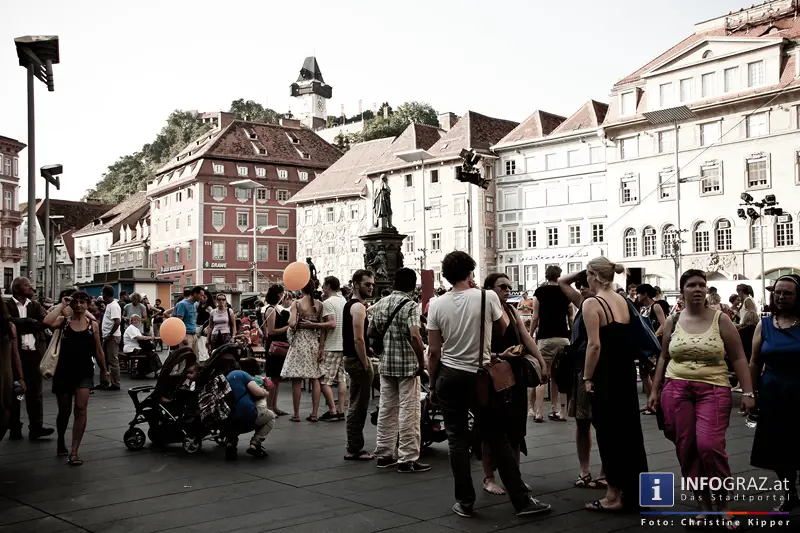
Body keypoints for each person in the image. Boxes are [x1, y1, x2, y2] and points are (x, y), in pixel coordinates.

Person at [428, 251, 550, 518]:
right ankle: (522, 501)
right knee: (497, 437)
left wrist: (433, 383)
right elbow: (503, 327)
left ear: (446, 276)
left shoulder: (436, 304)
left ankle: (465, 501)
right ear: (471, 272)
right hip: (480, 375)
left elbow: (434, 352)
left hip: (449, 375)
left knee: (457, 440)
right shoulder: (487, 296)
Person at [648, 269, 755, 525]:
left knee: (709, 446)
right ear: (682, 290)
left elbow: (739, 357)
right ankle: (703, 505)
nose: (698, 289)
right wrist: (655, 390)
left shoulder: (722, 320)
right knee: (687, 449)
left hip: (714, 388)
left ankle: (723, 505)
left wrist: (749, 392)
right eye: (692, 285)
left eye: (701, 285)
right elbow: (664, 356)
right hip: (676, 389)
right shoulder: (673, 320)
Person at [581, 258, 648, 512]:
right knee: (630, 433)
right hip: (626, 372)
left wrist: (587, 377)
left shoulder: (592, 304)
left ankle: (613, 495)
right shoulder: (623, 300)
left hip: (606, 374)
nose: (585, 280)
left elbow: (594, 345)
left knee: (608, 434)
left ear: (594, 276)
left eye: (588, 275)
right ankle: (638, 493)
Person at [480, 273, 547, 495]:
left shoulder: (510, 309)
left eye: (509, 286)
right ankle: (489, 478)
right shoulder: (484, 313)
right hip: (494, 375)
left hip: (515, 374)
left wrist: (540, 361)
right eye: (502, 287)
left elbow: (526, 337)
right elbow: (479, 349)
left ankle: (514, 477)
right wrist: (501, 354)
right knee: (491, 429)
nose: (508, 290)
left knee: (517, 428)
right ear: (489, 289)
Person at [371, 268, 430, 473]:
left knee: (386, 409)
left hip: (386, 363)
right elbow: (415, 335)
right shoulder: (410, 305)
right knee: (409, 410)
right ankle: (407, 458)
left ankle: (385, 454)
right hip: (407, 365)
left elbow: (370, 331)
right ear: (413, 286)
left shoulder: (381, 303)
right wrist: (421, 363)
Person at [749, 274, 800, 512]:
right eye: (778, 292)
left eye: (787, 293)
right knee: (779, 448)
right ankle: (790, 494)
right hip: (773, 393)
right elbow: (753, 361)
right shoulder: (765, 324)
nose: (781, 297)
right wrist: (751, 394)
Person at [44, 291, 109, 466]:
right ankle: (60, 439)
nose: (79, 305)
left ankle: (74, 451)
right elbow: (47, 322)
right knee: (64, 412)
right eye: (76, 302)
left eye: (83, 302)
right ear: (72, 304)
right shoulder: (64, 322)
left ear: (88, 304)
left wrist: (105, 370)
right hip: (63, 372)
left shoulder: (92, 325)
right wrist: (62, 305)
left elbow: (98, 349)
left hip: (84, 371)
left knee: (81, 408)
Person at [557, 270, 606, 490]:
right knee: (582, 421)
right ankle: (584, 470)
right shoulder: (582, 303)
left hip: (598, 370)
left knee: (602, 423)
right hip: (579, 369)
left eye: (586, 284)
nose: (581, 288)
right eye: (580, 285)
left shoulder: (604, 304)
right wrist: (585, 272)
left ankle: (606, 472)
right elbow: (561, 281)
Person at [6, 277, 54, 440]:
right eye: (27, 285)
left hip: (34, 353)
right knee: (15, 392)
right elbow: (7, 322)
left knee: (36, 392)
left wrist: (23, 325)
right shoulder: (7, 305)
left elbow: (45, 322)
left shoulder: (35, 305)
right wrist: (28, 322)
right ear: (17, 288)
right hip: (15, 354)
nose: (31, 288)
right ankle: (14, 428)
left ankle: (36, 427)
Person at [530, 265, 572, 422]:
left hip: (545, 337)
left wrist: (530, 335)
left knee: (543, 375)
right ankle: (557, 410)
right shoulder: (565, 292)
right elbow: (571, 317)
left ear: (546, 276)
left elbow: (535, 317)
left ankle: (539, 413)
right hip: (563, 338)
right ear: (559, 276)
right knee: (558, 376)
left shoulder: (539, 293)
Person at [342, 269, 375, 461]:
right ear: (356, 284)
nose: (371, 287)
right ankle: (354, 447)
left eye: (372, 284)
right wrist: (365, 361)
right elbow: (359, 339)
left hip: (351, 359)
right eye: (367, 284)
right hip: (357, 360)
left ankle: (353, 445)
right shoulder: (358, 308)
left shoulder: (352, 306)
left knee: (355, 404)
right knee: (359, 406)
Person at [281, 280, 324, 422]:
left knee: (296, 379)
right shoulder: (319, 305)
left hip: (300, 341)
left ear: (301, 289)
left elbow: (292, 323)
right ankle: (314, 413)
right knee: (315, 378)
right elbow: (322, 329)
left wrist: (292, 321)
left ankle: (296, 414)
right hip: (313, 341)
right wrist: (321, 348)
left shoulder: (296, 303)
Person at [224, 357, 273, 460]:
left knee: (235, 418)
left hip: (228, 418)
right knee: (271, 417)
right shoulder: (244, 375)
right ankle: (255, 443)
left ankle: (230, 443)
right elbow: (258, 392)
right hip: (247, 415)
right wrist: (265, 392)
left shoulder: (227, 377)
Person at [318, 276, 348, 422]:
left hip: (332, 345)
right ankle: (341, 410)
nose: (322, 289)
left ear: (329, 286)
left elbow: (331, 324)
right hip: (344, 345)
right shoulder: (344, 301)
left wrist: (314, 326)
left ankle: (333, 410)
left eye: (323, 286)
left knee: (324, 380)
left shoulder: (328, 303)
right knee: (341, 378)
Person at [637, 283, 666, 414]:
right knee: (644, 374)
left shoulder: (656, 306)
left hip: (654, 346)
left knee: (654, 374)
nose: (637, 296)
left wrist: (653, 336)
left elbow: (664, 324)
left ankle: (656, 403)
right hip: (645, 346)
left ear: (645, 294)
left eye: (639, 293)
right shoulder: (643, 308)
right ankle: (650, 402)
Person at [264, 285, 290, 416]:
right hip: (274, 346)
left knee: (276, 378)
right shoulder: (271, 310)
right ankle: (269, 407)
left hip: (279, 346)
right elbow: (271, 331)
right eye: (282, 294)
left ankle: (274, 406)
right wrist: (287, 327)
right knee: (273, 378)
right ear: (278, 295)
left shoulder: (277, 309)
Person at [0, 300, 24, 441]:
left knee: (4, 413)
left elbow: (15, 354)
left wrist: (21, 377)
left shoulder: (9, 327)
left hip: (5, 374)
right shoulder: (9, 327)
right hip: (5, 374)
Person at [99, 285, 122, 391]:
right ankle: (105, 382)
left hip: (112, 337)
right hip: (108, 336)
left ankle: (115, 383)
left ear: (105, 294)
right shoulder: (109, 305)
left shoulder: (113, 306)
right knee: (104, 360)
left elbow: (117, 321)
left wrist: (110, 334)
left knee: (112, 360)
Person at [175, 286, 204, 350]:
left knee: (195, 358)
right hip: (186, 335)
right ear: (195, 293)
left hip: (194, 334)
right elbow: (179, 322)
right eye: (201, 295)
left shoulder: (194, 304)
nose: (202, 298)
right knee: (187, 357)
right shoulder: (182, 304)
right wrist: (183, 336)